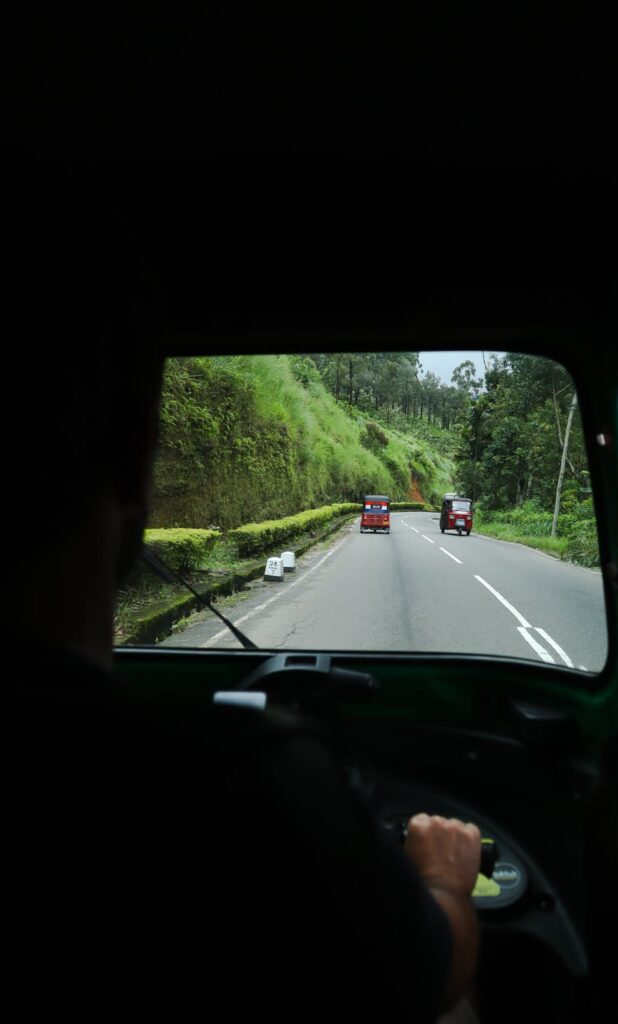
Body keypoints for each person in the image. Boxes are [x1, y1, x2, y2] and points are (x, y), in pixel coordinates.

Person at [2, 165, 481, 1022]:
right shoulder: (238, 787)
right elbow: (429, 969)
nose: (377, 513)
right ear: (134, 460)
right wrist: (445, 875)